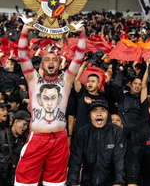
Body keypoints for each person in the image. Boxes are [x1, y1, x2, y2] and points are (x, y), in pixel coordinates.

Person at [15, 24, 86, 186]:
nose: (51, 61)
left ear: (60, 64)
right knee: (25, 183)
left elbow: (79, 56)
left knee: (56, 184)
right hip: (37, 139)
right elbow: (23, 56)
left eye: (55, 59)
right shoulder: (33, 80)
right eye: (47, 59)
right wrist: (25, 31)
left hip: (60, 140)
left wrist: (83, 33)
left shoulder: (66, 81)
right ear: (41, 65)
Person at [67, 100, 126, 186]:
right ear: (89, 115)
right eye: (95, 111)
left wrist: (119, 182)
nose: (99, 113)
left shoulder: (117, 132)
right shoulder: (82, 133)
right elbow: (75, 161)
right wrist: (72, 182)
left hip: (111, 183)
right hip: (87, 182)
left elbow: (120, 161)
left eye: (103, 110)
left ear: (108, 114)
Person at [0, 110, 30, 186]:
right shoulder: (2, 135)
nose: (25, 127)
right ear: (16, 122)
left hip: (17, 179)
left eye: (27, 125)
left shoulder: (26, 139)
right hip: (2, 178)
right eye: (24, 124)